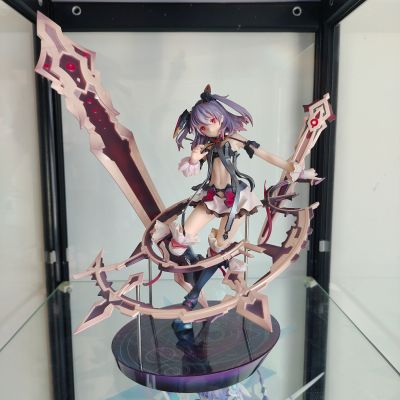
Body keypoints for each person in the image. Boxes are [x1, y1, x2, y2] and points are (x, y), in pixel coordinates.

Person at [153, 85, 314, 314]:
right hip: (211, 197)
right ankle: (195, 269)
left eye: (208, 121)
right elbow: (190, 170)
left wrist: (293, 169)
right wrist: (194, 157)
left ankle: (195, 292)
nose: (206, 128)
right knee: (178, 244)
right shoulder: (206, 145)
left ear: (219, 116)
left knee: (220, 247)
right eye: (200, 126)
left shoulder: (234, 139)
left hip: (235, 201)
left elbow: (265, 155)